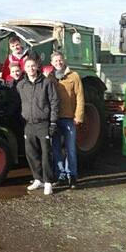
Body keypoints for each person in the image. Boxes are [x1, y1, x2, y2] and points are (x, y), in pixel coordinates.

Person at [16, 57, 59, 196]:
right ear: (24, 68)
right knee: (31, 153)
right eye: (28, 66)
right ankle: (38, 179)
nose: (31, 69)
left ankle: (48, 182)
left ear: (37, 67)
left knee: (46, 153)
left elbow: (54, 102)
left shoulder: (46, 83)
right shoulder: (21, 85)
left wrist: (53, 122)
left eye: (33, 66)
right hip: (28, 124)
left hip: (43, 123)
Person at [50, 52, 84, 190]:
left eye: (60, 60)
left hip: (69, 118)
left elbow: (80, 97)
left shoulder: (74, 76)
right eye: (55, 61)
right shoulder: (50, 77)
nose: (58, 62)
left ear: (64, 60)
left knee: (70, 149)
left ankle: (72, 176)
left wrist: (79, 116)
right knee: (56, 149)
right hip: (55, 119)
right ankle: (60, 176)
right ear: (51, 63)